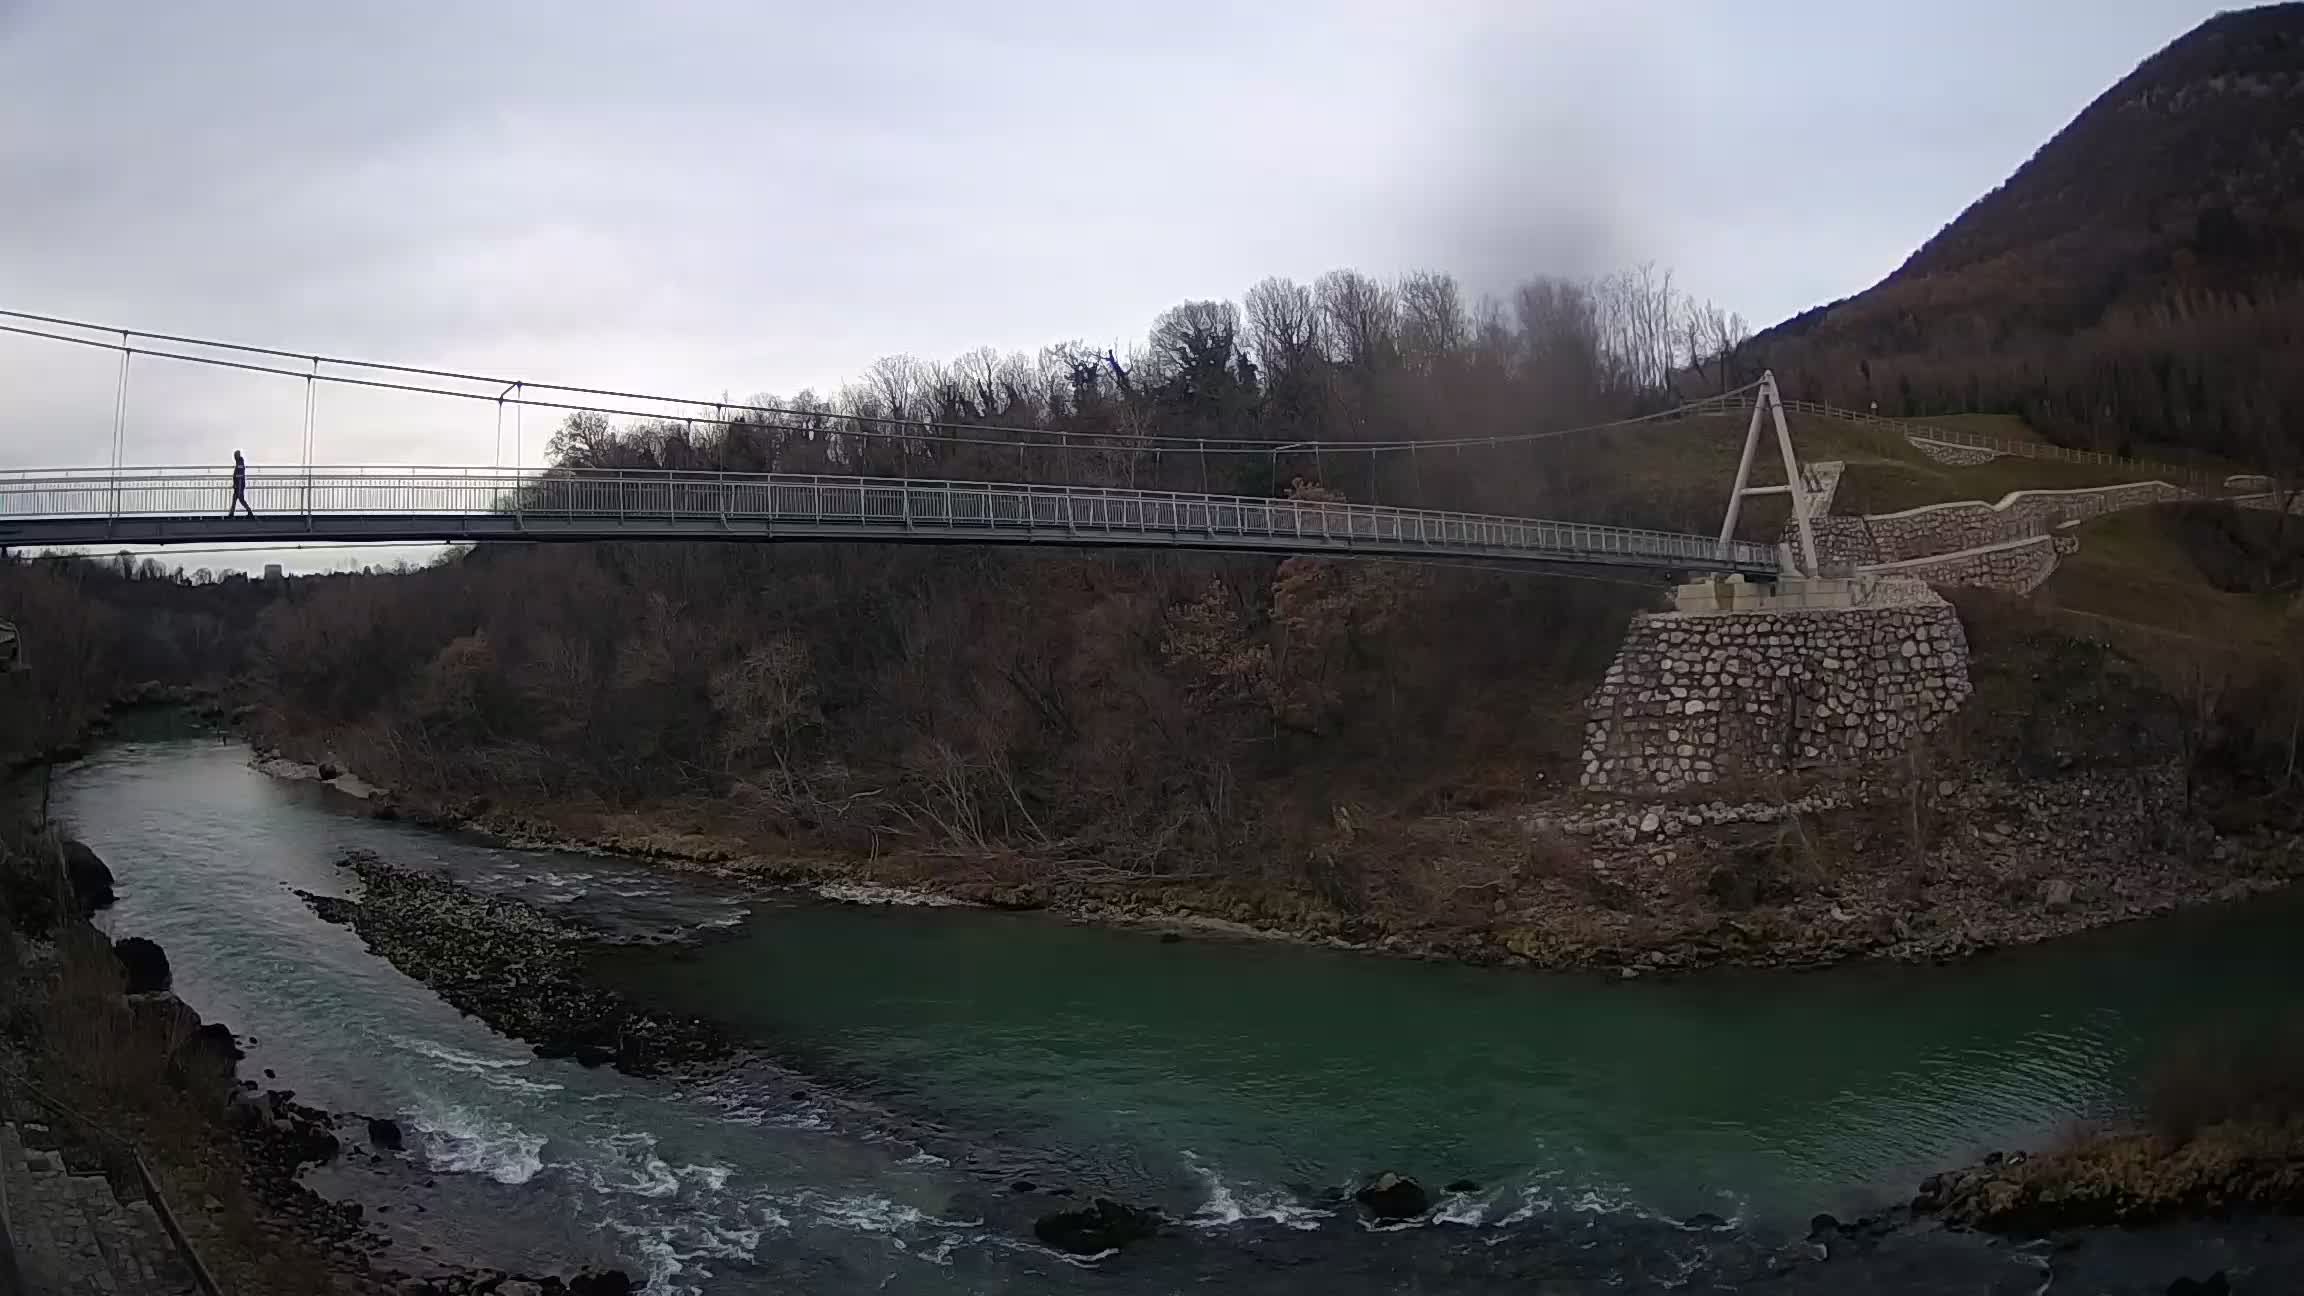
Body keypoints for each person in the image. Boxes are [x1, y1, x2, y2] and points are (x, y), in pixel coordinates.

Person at [228, 450, 255, 518]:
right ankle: (231, 513)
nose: (234, 457)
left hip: (239, 485)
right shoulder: (239, 462)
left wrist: (237, 485)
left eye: (235, 455)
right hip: (238, 484)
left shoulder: (240, 463)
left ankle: (249, 512)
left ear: (237, 456)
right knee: (234, 499)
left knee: (241, 499)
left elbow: (239, 476)